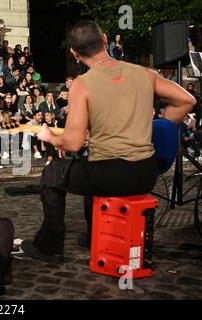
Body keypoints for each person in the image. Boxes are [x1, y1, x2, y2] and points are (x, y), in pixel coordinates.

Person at [21, 20, 196, 264]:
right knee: (89, 166)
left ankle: (49, 247)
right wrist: (162, 123)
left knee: (52, 174)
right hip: (146, 172)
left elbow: (72, 142)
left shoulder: (82, 84)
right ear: (104, 39)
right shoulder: (145, 73)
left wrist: (49, 137)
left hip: (111, 174)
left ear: (74, 53)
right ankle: (95, 235)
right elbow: (187, 100)